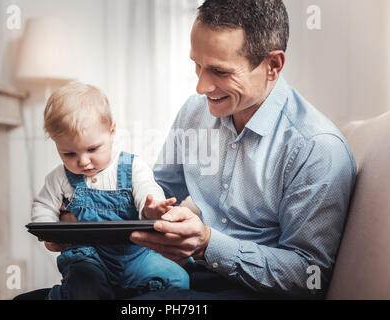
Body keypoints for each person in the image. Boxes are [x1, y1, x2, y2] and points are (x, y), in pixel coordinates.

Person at [129, 0, 356, 299]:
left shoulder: (317, 148)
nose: (200, 86)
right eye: (196, 65)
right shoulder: (194, 113)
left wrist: (208, 244)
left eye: (219, 71)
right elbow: (156, 192)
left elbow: (309, 276)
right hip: (180, 275)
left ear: (272, 65)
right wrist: (84, 222)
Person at [30, 82, 189, 299]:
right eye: (69, 154)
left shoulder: (133, 167)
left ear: (112, 131)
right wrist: (49, 231)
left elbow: (148, 192)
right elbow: (43, 205)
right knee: (87, 286)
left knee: (177, 279)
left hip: (136, 255)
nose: (83, 161)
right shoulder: (59, 177)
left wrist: (152, 208)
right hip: (87, 256)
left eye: (92, 149)